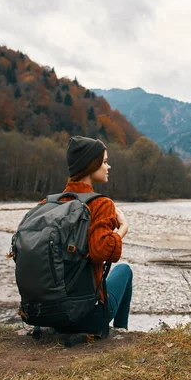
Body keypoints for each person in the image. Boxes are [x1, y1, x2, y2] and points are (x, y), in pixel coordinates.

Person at [61, 135, 132, 331]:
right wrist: (123, 228)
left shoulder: (52, 203)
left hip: (48, 312)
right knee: (125, 270)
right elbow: (101, 251)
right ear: (91, 164)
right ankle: (120, 331)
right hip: (86, 316)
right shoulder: (101, 204)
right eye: (105, 162)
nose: (108, 167)